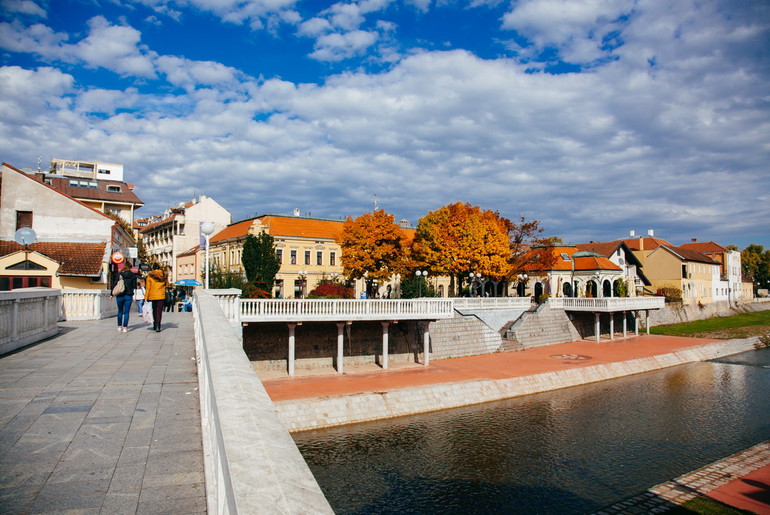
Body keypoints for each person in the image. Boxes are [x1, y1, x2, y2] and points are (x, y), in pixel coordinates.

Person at [110, 265, 138, 333]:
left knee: (120, 311)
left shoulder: (119, 275)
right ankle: (125, 327)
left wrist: (112, 294)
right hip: (128, 295)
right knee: (126, 312)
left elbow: (114, 284)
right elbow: (134, 286)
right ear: (130, 268)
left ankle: (119, 326)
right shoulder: (133, 276)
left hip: (120, 295)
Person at [145, 264, 169, 332]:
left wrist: (146, 297)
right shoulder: (164, 276)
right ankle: (158, 326)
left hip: (152, 296)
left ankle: (155, 324)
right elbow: (167, 285)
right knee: (159, 311)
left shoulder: (150, 277)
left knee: (154, 310)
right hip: (161, 295)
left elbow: (148, 288)